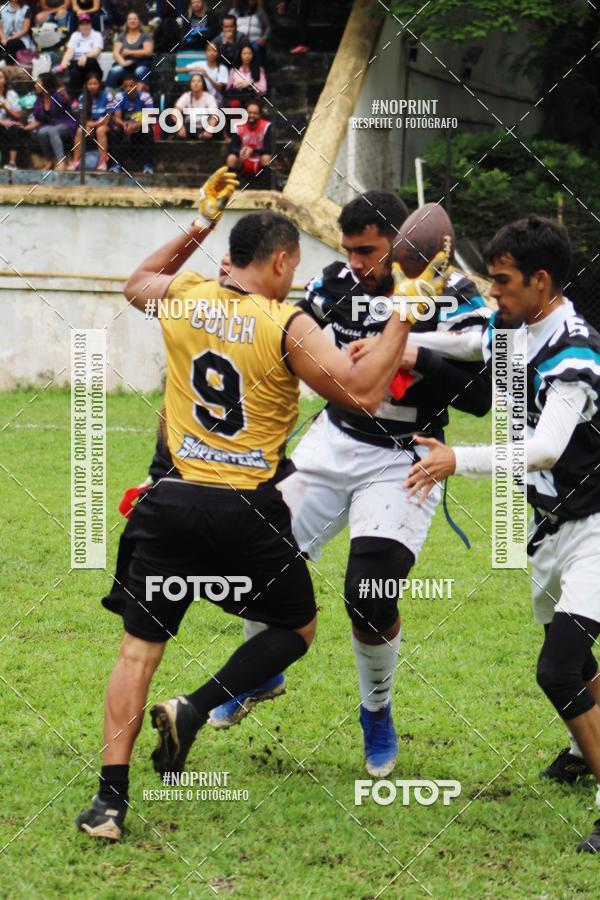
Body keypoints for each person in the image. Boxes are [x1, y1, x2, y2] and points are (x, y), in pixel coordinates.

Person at [75, 167, 441, 841]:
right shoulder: (286, 323)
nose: (294, 279)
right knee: (297, 627)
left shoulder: (184, 293)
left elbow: (134, 283)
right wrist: (405, 309)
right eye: (291, 267)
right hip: (243, 509)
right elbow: (361, 391)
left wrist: (197, 225)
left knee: (137, 651)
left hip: (170, 502)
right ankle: (195, 706)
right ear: (277, 262)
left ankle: (107, 803)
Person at [208, 191, 493, 779]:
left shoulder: (455, 292)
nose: (358, 262)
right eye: (349, 250)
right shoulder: (333, 284)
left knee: (370, 595)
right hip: (334, 441)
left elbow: (485, 394)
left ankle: (377, 712)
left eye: (370, 250)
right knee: (256, 556)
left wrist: (414, 351)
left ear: (404, 241)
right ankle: (262, 671)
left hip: (402, 456)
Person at [404, 214, 600, 854]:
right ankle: (581, 748)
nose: (495, 294)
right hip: (550, 528)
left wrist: (457, 459)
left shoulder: (575, 350)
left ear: (541, 282)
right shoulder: (518, 326)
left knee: (559, 667)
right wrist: (405, 341)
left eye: (505, 283)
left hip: (595, 525)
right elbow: (472, 340)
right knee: (570, 652)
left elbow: (544, 449)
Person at [23, 71, 76, 170]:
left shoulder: (57, 95)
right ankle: (49, 161)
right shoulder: (39, 99)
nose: (35, 85)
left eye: (38, 82)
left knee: (52, 131)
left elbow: (66, 102)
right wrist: (25, 127)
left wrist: (64, 95)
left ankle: (61, 162)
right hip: (51, 126)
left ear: (45, 84)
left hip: (66, 124)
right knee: (41, 132)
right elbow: (39, 120)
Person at [109, 70, 154, 173]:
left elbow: (149, 116)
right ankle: (116, 164)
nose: (129, 89)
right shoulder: (119, 96)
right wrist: (123, 124)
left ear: (137, 85)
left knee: (148, 131)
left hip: (140, 126)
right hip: (124, 127)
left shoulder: (145, 97)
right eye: (126, 86)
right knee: (114, 131)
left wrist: (135, 126)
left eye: (131, 85)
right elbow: (117, 118)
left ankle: (148, 165)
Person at [69, 70, 112, 170]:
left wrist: (93, 125)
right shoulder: (82, 98)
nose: (92, 86)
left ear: (99, 84)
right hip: (92, 125)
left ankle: (102, 163)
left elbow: (107, 119)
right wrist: (90, 125)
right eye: (90, 84)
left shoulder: (107, 96)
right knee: (80, 130)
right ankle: (76, 161)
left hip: (106, 126)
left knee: (100, 130)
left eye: (95, 83)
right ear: (86, 85)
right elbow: (83, 119)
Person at [105, 10, 154, 89]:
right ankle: (109, 97)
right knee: (114, 71)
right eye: (130, 19)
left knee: (140, 71)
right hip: (125, 63)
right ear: (127, 22)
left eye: (135, 19)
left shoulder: (145, 35)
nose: (132, 21)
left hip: (142, 63)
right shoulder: (121, 36)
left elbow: (148, 52)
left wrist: (128, 52)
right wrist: (123, 63)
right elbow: (116, 54)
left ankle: (142, 96)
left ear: (139, 21)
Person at [226, 99, 272, 183]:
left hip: (259, 157)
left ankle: (266, 187)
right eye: (249, 113)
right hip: (244, 157)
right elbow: (232, 147)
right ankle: (231, 185)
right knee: (231, 158)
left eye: (255, 113)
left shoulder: (267, 126)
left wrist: (253, 151)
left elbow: (270, 148)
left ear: (260, 114)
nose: (252, 115)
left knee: (266, 158)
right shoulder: (238, 125)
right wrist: (240, 151)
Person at [57, 13, 103, 95]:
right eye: (82, 24)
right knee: (73, 70)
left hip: (93, 67)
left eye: (87, 23)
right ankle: (75, 98)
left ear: (91, 24)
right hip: (77, 65)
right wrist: (64, 61)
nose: (85, 26)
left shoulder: (97, 35)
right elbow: (69, 51)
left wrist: (85, 57)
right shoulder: (75, 35)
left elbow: (96, 51)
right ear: (79, 26)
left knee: (90, 61)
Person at [175, 41, 228, 105]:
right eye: (209, 50)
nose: (211, 53)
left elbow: (220, 89)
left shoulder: (222, 68)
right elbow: (177, 70)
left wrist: (207, 76)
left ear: (218, 53)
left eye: (214, 50)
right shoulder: (200, 64)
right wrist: (193, 69)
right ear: (205, 53)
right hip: (198, 99)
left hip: (215, 100)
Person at [173, 72, 218, 140]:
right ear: (190, 84)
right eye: (193, 81)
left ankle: (201, 136)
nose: (196, 83)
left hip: (204, 126)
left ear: (203, 84)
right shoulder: (186, 96)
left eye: (199, 81)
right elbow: (175, 113)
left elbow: (214, 115)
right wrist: (181, 127)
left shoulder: (209, 97)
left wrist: (209, 131)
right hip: (188, 127)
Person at [228, 0, 270, 65]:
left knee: (256, 48)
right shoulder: (234, 12)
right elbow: (227, 26)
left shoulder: (259, 12)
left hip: (255, 41)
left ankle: (257, 70)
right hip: (239, 40)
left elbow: (268, 27)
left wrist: (264, 38)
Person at [0, 68, 24, 170]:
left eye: (0, 77)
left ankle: (12, 163)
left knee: (13, 127)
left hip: (8, 124)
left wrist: (6, 108)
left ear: (5, 80)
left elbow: (18, 115)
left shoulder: (11, 94)